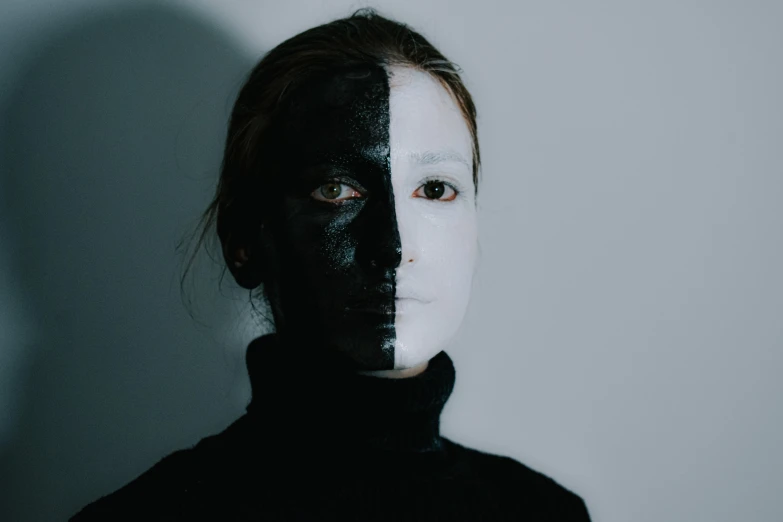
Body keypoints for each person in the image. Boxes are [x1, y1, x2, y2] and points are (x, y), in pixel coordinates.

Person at [70, 8, 591, 521]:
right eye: (336, 190)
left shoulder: (545, 512)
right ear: (243, 240)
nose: (392, 246)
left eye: (435, 189)